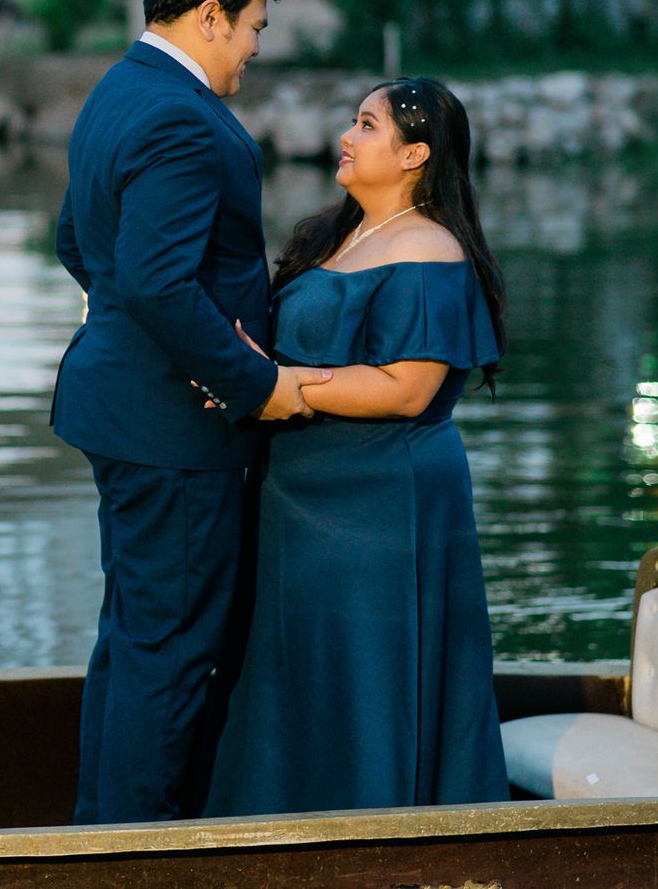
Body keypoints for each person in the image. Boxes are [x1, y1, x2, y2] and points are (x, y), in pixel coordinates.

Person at [51, 0, 330, 824]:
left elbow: (77, 242)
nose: (255, 47)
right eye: (252, 27)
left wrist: (143, 339)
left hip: (124, 412)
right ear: (210, 16)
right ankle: (137, 856)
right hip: (175, 427)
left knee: (133, 643)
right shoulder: (180, 116)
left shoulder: (116, 90)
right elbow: (155, 283)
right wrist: (253, 380)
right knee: (171, 657)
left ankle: (101, 839)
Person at [202, 76, 509, 817]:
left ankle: (378, 831)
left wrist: (281, 384)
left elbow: (407, 388)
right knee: (292, 669)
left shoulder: (430, 249)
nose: (347, 136)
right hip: (298, 496)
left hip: (379, 505)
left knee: (369, 674)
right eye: (354, 120)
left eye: (368, 125)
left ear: (415, 155)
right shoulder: (332, 236)